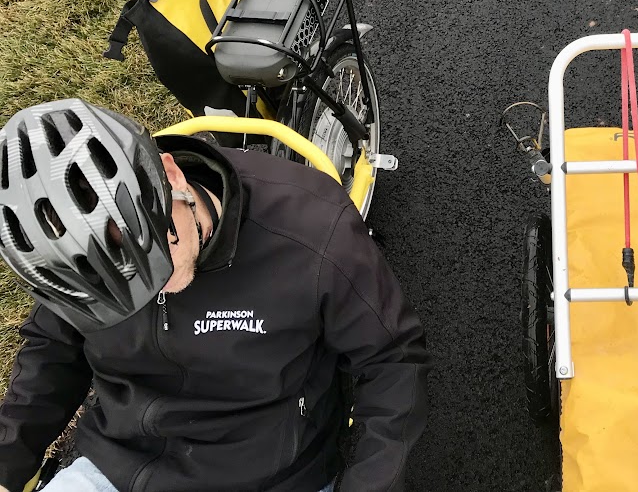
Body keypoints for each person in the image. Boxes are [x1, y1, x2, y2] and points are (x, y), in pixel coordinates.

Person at [0, 99, 429, 492]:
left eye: (154, 247)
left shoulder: (312, 231)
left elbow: (392, 359)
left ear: (169, 176)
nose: (155, 286)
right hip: (118, 463)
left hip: (272, 474)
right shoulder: (73, 252)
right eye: (112, 283)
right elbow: (54, 347)